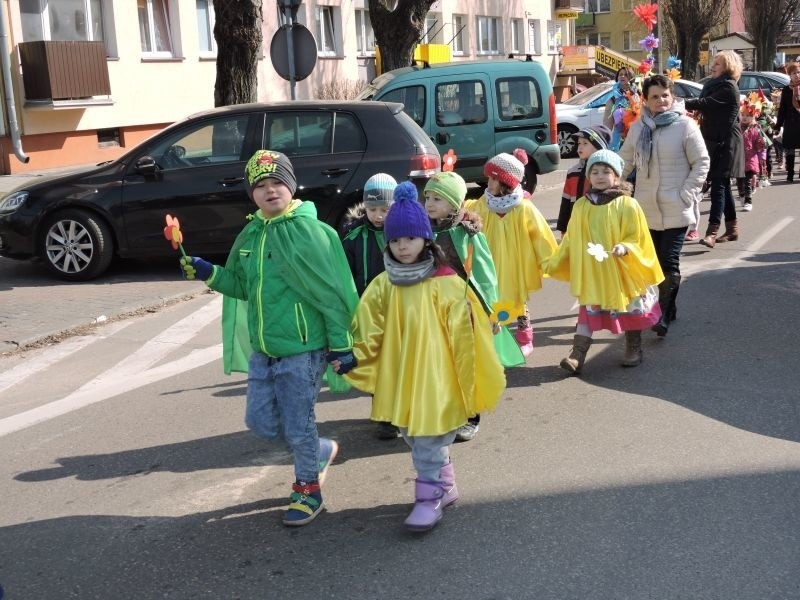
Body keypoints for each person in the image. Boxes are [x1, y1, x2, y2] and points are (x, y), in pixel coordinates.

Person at [180, 149, 359, 527]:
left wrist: (341, 344)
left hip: (304, 350)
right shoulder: (251, 233)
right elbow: (242, 285)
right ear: (252, 194)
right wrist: (209, 273)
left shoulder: (312, 232)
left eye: (277, 182)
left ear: (292, 186)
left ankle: (308, 489)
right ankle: (318, 448)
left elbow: (332, 293)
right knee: (260, 422)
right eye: (260, 185)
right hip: (264, 350)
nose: (270, 190)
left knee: (297, 425)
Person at [335, 181, 506, 532]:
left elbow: (464, 338)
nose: (402, 246)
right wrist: (353, 356)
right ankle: (446, 485)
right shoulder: (383, 286)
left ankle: (429, 499)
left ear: (426, 240)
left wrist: (467, 383)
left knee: (426, 440)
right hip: (402, 379)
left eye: (410, 239)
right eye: (396, 240)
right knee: (413, 435)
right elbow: (369, 329)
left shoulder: (447, 284)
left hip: (437, 381)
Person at [543, 149, 664, 372]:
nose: (599, 176)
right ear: (588, 176)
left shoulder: (627, 204)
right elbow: (572, 238)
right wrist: (556, 260)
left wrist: (625, 246)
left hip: (621, 271)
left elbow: (637, 235)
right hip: (594, 272)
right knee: (587, 313)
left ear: (616, 176)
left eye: (606, 171)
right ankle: (577, 355)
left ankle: (633, 347)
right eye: (595, 171)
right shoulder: (581, 205)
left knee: (630, 309)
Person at [618, 74, 709, 337]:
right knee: (653, 264)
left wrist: (687, 193)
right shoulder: (638, 127)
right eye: (655, 96)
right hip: (645, 209)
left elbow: (701, 162)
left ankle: (664, 315)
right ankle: (670, 304)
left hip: (676, 207)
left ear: (673, 97)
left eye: (665, 95)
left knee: (669, 262)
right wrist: (610, 184)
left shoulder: (685, 126)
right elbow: (625, 161)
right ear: (645, 99)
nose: (661, 101)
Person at [423, 170, 497, 443]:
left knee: (465, 364)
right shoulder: (424, 231)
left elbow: (485, 273)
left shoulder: (467, 233)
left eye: (438, 199)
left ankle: (470, 415)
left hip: (464, 312)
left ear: (455, 204)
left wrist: (492, 310)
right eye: (428, 197)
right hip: (433, 310)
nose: (430, 203)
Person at [464, 149, 557, 357]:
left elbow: (540, 234)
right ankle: (498, 338)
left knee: (518, 300)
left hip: (515, 264)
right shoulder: (484, 204)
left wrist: (550, 260)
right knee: (491, 299)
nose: (488, 182)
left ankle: (525, 338)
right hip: (490, 261)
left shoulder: (523, 208)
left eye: (492, 179)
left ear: (506, 182)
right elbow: (471, 215)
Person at [340, 173, 399, 440]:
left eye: (385, 209)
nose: (379, 215)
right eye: (373, 209)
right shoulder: (354, 235)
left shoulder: (402, 232)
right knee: (376, 361)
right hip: (368, 311)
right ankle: (384, 413)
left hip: (399, 308)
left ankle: (403, 408)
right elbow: (346, 274)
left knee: (401, 359)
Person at [685, 50, 745, 249]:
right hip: (715, 140)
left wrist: (675, 102)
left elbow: (705, 104)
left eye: (717, 64)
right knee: (724, 185)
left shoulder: (728, 87)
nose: (712, 67)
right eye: (714, 63)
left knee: (718, 185)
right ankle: (732, 229)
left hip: (726, 143)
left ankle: (711, 232)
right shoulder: (715, 85)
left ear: (728, 67)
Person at [557, 124, 612, 238]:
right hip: (575, 225)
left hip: (598, 227)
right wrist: (563, 228)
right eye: (579, 143)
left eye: (585, 143)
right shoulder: (572, 172)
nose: (580, 147)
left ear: (598, 147)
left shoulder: (606, 174)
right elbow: (565, 202)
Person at [736, 101, 767, 212]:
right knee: (739, 181)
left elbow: (759, 146)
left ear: (753, 117)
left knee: (748, 181)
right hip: (738, 160)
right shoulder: (736, 128)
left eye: (748, 116)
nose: (744, 118)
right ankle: (742, 195)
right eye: (743, 115)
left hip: (750, 160)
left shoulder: (754, 130)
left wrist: (762, 141)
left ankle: (748, 201)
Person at [775, 61, 800, 183]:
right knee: (789, 149)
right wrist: (778, 125)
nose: (797, 75)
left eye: (799, 72)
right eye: (794, 73)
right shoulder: (786, 90)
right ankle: (790, 172)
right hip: (790, 123)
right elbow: (782, 109)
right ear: (789, 75)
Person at [603, 66, 639, 151]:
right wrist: (605, 138)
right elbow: (607, 123)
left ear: (631, 77)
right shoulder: (613, 98)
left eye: (625, 75)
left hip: (635, 136)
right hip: (618, 139)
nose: (622, 76)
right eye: (620, 75)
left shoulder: (637, 94)